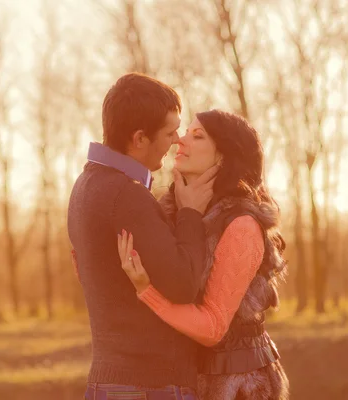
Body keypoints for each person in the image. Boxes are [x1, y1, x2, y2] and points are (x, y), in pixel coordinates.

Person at [117, 110, 290, 399]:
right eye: (186, 132)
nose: (180, 141)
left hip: (239, 385)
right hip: (189, 377)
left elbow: (212, 327)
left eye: (197, 136)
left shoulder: (242, 226)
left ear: (223, 157)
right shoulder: (173, 212)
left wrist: (147, 291)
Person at [67, 72, 219, 400]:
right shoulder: (125, 195)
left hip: (114, 381)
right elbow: (182, 283)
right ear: (139, 138)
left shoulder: (85, 185)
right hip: (149, 386)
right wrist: (190, 212)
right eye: (169, 132)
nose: (178, 140)